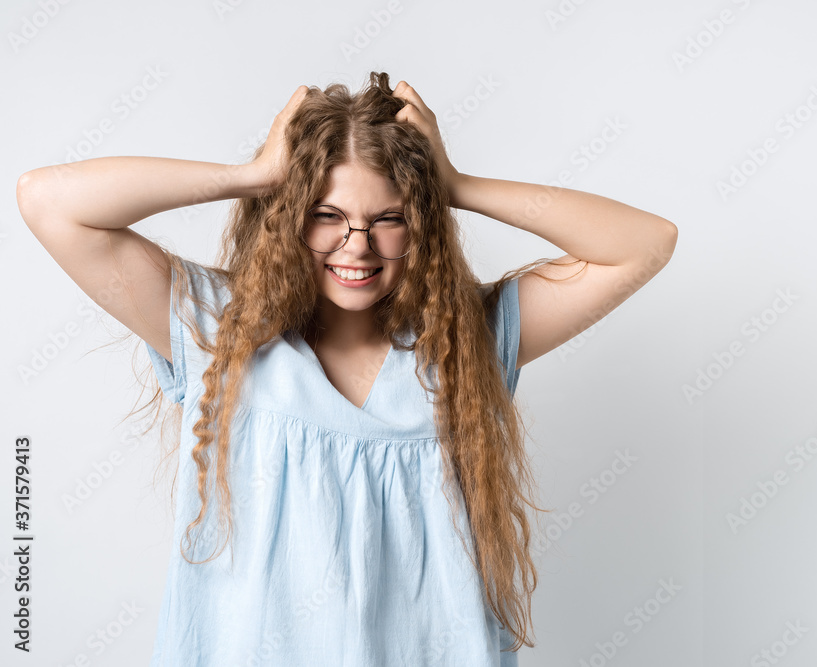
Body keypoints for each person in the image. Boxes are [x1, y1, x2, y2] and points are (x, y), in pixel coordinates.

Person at [16, 71, 678, 665]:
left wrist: (456, 186)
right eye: (326, 215)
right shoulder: (219, 328)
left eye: (389, 218)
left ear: (422, 226)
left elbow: (645, 244)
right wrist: (251, 174)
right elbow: (47, 201)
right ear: (286, 217)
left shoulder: (464, 342)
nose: (356, 245)